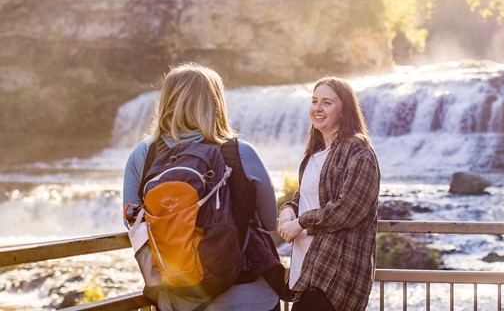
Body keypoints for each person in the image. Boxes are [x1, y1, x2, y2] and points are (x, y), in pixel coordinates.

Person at [122, 62, 281, 311]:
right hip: (248, 295)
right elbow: (270, 221)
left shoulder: (144, 155)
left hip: (177, 298)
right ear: (215, 102)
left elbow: (133, 222)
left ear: (165, 101)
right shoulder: (240, 152)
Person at [277, 76, 381, 311]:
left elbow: (348, 209)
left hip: (335, 271)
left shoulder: (357, 149)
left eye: (327, 102)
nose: (318, 108)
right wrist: (287, 212)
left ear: (344, 110)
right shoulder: (314, 153)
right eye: (314, 101)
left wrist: (301, 222)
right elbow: (302, 198)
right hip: (308, 268)